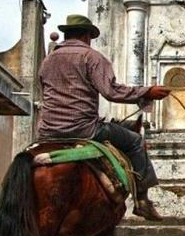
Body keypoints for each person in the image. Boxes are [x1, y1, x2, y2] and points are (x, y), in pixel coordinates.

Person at [36, 14, 171, 221]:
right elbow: (111, 92)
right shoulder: (91, 57)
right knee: (135, 141)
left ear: (67, 34)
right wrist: (146, 92)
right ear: (87, 35)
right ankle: (142, 200)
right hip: (84, 128)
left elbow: (44, 90)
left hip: (47, 131)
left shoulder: (48, 60)